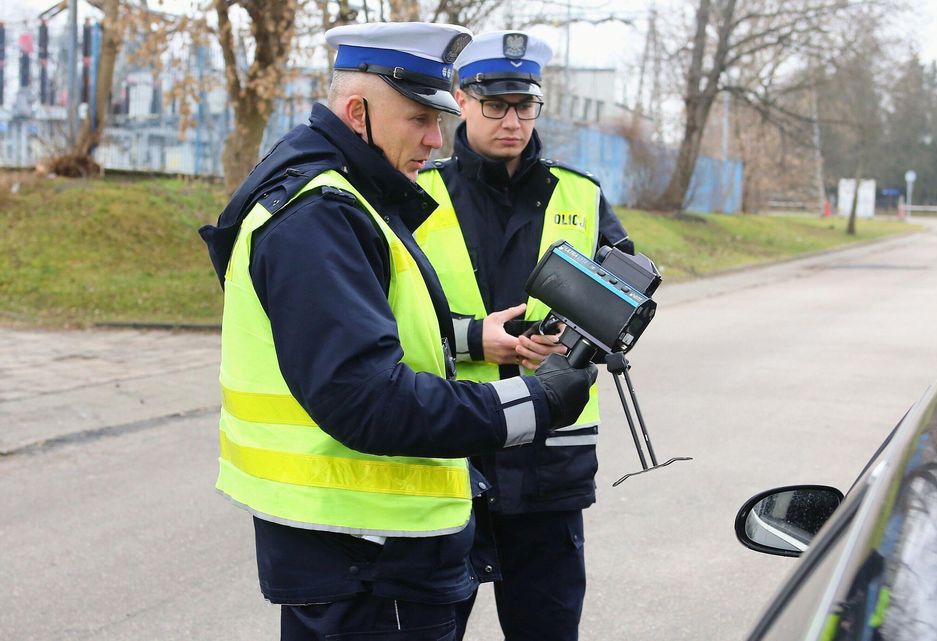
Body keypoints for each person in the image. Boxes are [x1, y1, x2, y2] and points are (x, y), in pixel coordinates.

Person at [197, 22, 597, 641]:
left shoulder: (351, 197)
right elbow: (367, 396)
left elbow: (401, 344)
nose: (438, 141)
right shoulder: (323, 213)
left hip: (362, 549)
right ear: (359, 113)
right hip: (370, 556)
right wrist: (534, 402)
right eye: (419, 120)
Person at [414, 30, 633, 641]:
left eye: (525, 105)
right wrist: (471, 340)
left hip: (549, 465)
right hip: (448, 456)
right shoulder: (416, 195)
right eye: (495, 104)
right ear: (460, 98)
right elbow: (383, 316)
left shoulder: (581, 195)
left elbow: (625, 307)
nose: (513, 120)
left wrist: (569, 339)